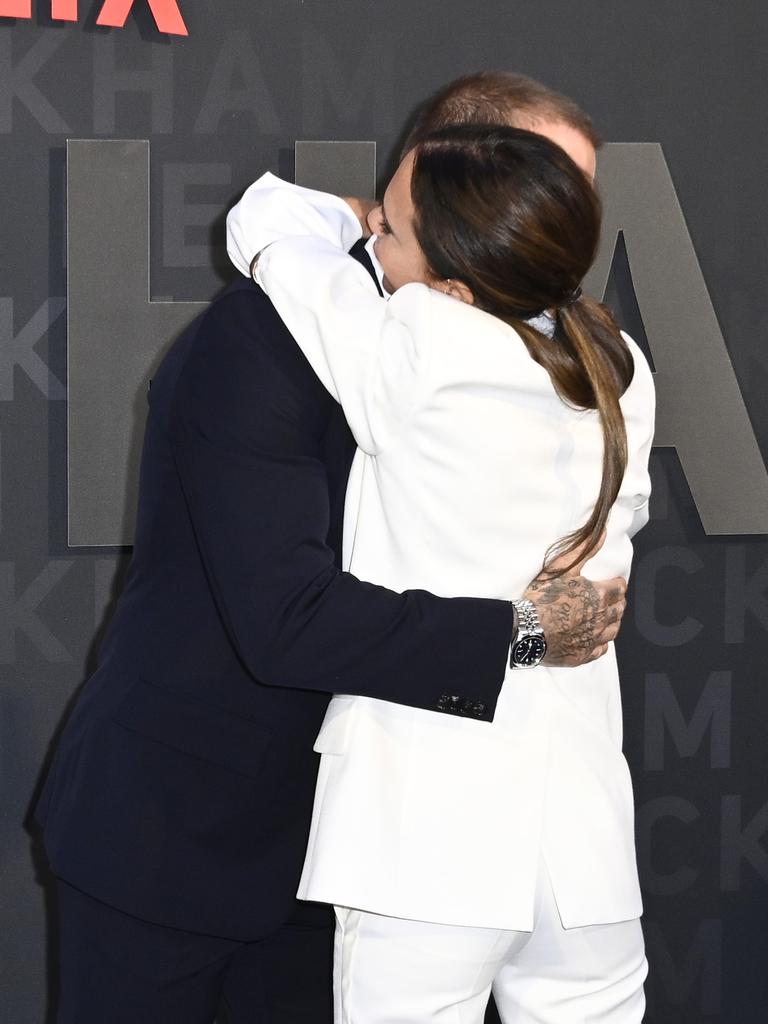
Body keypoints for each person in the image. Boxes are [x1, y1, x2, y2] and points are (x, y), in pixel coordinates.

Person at [36, 74, 627, 1024]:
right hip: (185, 846)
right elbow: (285, 618)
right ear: (437, 185)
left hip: (372, 860)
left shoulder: (548, 350)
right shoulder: (266, 340)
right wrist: (524, 635)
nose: (551, 224)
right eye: (532, 185)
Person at [225, 122, 655, 1023]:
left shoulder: (422, 343)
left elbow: (262, 225)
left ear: (452, 283)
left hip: (425, 834)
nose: (374, 241)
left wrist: (337, 217)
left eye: (392, 230)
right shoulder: (620, 364)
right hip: (580, 840)